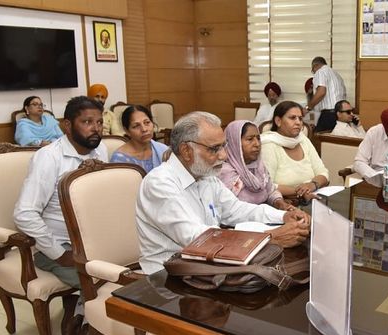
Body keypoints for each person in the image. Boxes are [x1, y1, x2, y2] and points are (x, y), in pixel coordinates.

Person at [136, 111, 311, 275]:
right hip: (167, 276)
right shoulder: (159, 184)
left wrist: (282, 216)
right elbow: (198, 239)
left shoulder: (205, 175)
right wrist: (270, 238)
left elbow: (237, 210)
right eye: (214, 149)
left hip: (209, 267)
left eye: (223, 146)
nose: (224, 155)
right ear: (186, 151)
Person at [13, 96, 108, 335]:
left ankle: (77, 311)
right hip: (59, 245)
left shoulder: (101, 150)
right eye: (87, 122)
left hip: (94, 241)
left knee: (125, 272)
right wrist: (58, 253)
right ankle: (88, 324)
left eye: (99, 122)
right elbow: (24, 214)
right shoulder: (48, 158)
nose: (96, 128)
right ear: (67, 125)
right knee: (98, 280)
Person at [261, 101, 329, 202]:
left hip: (312, 197)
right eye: (292, 118)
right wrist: (300, 192)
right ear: (278, 121)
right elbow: (266, 185)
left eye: (300, 118)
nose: (298, 122)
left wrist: (312, 185)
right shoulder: (268, 145)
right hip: (285, 203)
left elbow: (323, 172)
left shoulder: (303, 140)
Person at [219, 120, 294, 211]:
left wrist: (279, 203)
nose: (257, 144)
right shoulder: (225, 172)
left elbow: (271, 191)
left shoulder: (259, 167)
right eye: (250, 139)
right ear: (235, 143)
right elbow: (230, 209)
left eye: (258, 138)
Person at [110, 105, 169, 173]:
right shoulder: (120, 159)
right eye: (136, 126)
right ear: (126, 131)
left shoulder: (163, 150)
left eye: (147, 122)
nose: (144, 129)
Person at [306, 56, 346, 132]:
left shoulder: (320, 72)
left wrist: (308, 108)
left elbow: (321, 92)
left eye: (313, 70)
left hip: (329, 114)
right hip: (341, 113)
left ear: (315, 66)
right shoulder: (337, 75)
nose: (314, 73)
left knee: (319, 137)